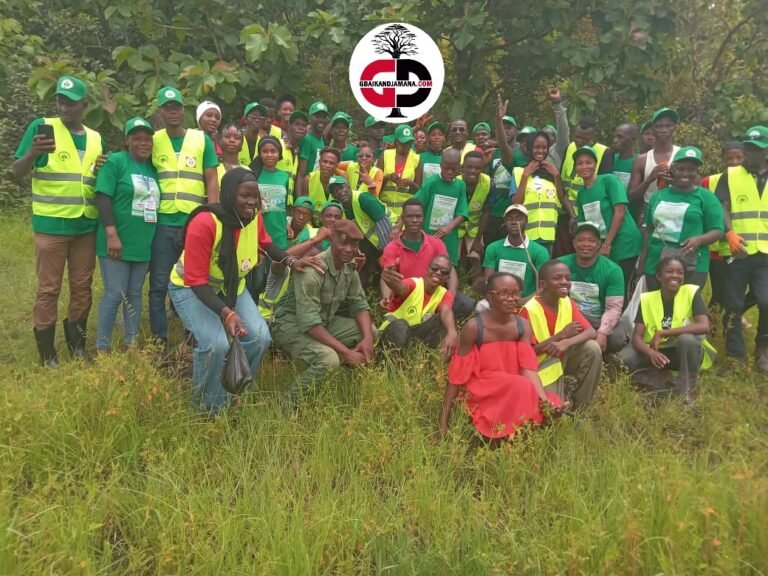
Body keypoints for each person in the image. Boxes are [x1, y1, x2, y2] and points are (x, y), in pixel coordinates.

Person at [168, 168, 317, 413]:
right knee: (215, 344)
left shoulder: (252, 217)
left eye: (255, 196)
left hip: (230, 287)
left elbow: (266, 243)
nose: (251, 202)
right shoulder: (205, 222)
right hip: (192, 288)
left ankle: (232, 390)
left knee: (260, 337)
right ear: (228, 195)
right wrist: (226, 313)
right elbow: (195, 280)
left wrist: (291, 261)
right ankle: (206, 407)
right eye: (244, 196)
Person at [13, 76, 108, 365]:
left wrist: (100, 166)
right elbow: (16, 171)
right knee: (49, 289)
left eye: (70, 102)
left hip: (85, 225)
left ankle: (77, 347)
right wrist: (32, 153)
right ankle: (47, 355)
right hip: (51, 225)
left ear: (85, 105)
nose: (63, 107)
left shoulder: (94, 137)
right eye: (60, 101)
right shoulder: (42, 128)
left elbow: (89, 177)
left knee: (82, 286)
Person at [439, 272, 562, 441]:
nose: (511, 299)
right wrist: (443, 420)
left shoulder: (522, 326)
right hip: (482, 387)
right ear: (490, 296)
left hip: (513, 384)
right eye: (504, 293)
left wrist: (544, 399)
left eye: (515, 293)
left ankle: (517, 436)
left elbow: (528, 369)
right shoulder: (474, 327)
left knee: (539, 395)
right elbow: (457, 375)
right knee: (520, 385)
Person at [273, 220, 375, 403]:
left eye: (354, 244)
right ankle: (287, 404)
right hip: (290, 326)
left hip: (323, 323)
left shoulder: (348, 267)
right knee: (329, 360)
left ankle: (340, 384)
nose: (349, 250)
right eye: (343, 243)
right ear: (332, 241)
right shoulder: (312, 269)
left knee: (370, 332)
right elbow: (309, 323)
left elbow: (359, 304)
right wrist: (346, 353)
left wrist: (367, 339)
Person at [148, 86, 219, 343]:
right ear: (160, 112)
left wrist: (212, 216)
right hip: (163, 222)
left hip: (193, 224)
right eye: (168, 108)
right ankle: (159, 340)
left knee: (194, 281)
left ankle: (193, 336)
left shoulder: (201, 140)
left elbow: (212, 179)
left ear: (184, 110)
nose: (173, 112)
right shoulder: (153, 140)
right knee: (158, 284)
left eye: (177, 107)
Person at [94, 117, 159, 354]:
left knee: (134, 293)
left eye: (147, 139)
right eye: (137, 138)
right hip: (116, 241)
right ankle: (102, 346)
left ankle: (130, 343)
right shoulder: (115, 162)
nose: (143, 143)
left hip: (142, 242)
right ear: (127, 140)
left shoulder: (153, 168)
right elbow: (102, 197)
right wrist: (111, 233)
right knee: (115, 293)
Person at [617, 256, 715, 402]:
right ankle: (661, 380)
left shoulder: (691, 292)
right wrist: (650, 353)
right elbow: (637, 338)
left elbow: (704, 326)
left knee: (686, 339)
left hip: (683, 351)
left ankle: (687, 389)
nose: (675, 276)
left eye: (680, 272)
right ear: (659, 276)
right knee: (624, 358)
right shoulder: (648, 299)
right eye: (669, 271)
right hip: (657, 353)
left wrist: (663, 332)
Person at [715, 126, 768, 371]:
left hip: (765, 253)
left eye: (755, 149)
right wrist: (729, 232)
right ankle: (736, 356)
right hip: (737, 251)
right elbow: (722, 206)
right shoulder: (731, 174)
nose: (749, 153)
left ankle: (762, 348)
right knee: (733, 304)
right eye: (747, 148)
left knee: (765, 300)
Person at [638, 146, 724, 290]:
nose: (685, 173)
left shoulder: (706, 197)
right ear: (673, 169)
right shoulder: (658, 196)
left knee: (686, 308)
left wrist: (699, 240)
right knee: (656, 306)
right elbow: (648, 230)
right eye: (681, 169)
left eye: (691, 170)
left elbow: (718, 230)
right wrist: (642, 263)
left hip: (692, 263)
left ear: (697, 172)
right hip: (656, 261)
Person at [520, 260, 602, 408]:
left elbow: (591, 332)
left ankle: (581, 406)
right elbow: (527, 353)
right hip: (540, 365)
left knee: (593, 348)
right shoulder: (529, 309)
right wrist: (560, 336)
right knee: (552, 412)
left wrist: (567, 342)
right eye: (557, 278)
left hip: (561, 356)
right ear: (543, 284)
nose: (564, 282)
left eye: (568, 278)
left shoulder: (566, 302)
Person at [380, 198, 475, 319]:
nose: (414, 220)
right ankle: (430, 319)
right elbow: (387, 276)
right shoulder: (392, 247)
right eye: (410, 216)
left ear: (423, 218)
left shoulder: (436, 243)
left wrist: (450, 294)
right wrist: (386, 297)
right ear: (403, 219)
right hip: (407, 295)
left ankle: (432, 316)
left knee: (465, 304)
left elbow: (450, 270)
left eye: (418, 216)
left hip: (433, 293)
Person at [571, 145, 642, 291]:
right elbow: (586, 225)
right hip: (602, 246)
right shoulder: (581, 194)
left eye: (588, 162)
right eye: (580, 163)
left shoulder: (609, 181)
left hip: (624, 243)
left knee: (622, 287)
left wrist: (607, 244)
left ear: (596, 164)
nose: (584, 166)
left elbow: (620, 211)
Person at [558, 223, 627, 353]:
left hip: (598, 319)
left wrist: (603, 333)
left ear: (598, 245)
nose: (585, 244)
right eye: (581, 240)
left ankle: (601, 354)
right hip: (569, 316)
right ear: (574, 243)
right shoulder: (560, 264)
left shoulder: (613, 270)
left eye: (591, 241)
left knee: (618, 338)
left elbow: (613, 307)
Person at [379, 254, 458, 357]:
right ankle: (392, 364)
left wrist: (452, 332)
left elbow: (446, 310)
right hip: (392, 334)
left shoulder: (444, 293)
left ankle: (426, 358)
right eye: (434, 268)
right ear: (426, 270)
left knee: (445, 321)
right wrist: (391, 280)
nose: (438, 273)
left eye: (444, 272)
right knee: (401, 325)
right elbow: (401, 288)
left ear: (447, 278)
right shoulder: (414, 284)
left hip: (414, 336)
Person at [510, 130, 571, 255]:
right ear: (529, 148)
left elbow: (561, 200)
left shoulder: (552, 172)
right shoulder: (519, 172)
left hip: (548, 237)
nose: (541, 151)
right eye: (536, 147)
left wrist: (557, 176)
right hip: (525, 236)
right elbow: (516, 203)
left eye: (544, 147)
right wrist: (525, 176)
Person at [478, 205, 549, 309]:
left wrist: (522, 302)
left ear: (526, 221)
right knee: (481, 307)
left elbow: (543, 287)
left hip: (527, 302)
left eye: (519, 218)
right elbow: (489, 281)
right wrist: (499, 301)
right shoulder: (493, 247)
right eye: (510, 219)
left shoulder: (540, 251)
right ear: (504, 222)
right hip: (499, 300)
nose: (514, 222)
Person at [407, 148, 468, 267]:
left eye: (453, 169)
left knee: (447, 264)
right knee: (427, 264)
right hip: (429, 234)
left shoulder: (460, 185)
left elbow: (463, 212)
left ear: (460, 168)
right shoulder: (432, 182)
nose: (450, 172)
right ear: (440, 165)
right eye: (446, 168)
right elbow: (415, 203)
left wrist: (449, 227)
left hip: (448, 235)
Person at [702, 141, 745, 310]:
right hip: (717, 250)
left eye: (739, 158)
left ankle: (737, 316)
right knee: (720, 293)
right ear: (723, 160)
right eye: (729, 159)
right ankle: (713, 328)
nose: (734, 162)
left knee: (750, 291)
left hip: (746, 245)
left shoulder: (753, 181)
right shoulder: (710, 181)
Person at [328, 175, 391, 288]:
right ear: (334, 196)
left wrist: (387, 252)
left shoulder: (363, 198)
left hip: (390, 235)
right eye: (336, 191)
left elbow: (384, 223)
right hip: (372, 242)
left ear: (349, 186)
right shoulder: (343, 208)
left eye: (342, 187)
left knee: (386, 264)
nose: (341, 192)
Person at [629, 107, 680, 210]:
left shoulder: (682, 155)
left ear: (674, 127)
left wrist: (676, 182)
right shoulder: (641, 160)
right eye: (659, 126)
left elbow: (696, 189)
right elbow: (631, 196)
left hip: (677, 208)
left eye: (668, 125)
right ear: (653, 129)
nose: (664, 130)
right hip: (649, 209)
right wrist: (649, 179)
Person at [250, 135, 291, 250]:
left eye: (273, 151)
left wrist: (287, 224)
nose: (269, 155)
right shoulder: (253, 174)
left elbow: (283, 205)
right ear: (260, 154)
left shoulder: (284, 176)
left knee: (278, 266)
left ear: (279, 154)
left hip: (279, 232)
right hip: (258, 230)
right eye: (265, 151)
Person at [459, 151, 492, 281]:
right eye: (469, 167)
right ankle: (459, 288)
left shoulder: (488, 183)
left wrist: (478, 239)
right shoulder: (455, 182)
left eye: (477, 168)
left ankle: (475, 292)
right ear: (462, 168)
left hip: (475, 229)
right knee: (455, 260)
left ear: (482, 169)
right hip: (456, 228)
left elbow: (486, 212)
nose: (473, 171)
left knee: (475, 258)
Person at [378, 124, 421, 218]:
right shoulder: (385, 155)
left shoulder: (416, 158)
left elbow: (419, 191)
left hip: (405, 212)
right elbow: (375, 183)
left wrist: (411, 183)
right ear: (396, 142)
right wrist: (387, 177)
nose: (408, 146)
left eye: (410, 142)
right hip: (385, 210)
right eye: (404, 142)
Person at [296, 101, 330, 195]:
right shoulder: (307, 139)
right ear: (310, 118)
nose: (321, 120)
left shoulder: (321, 140)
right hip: (306, 190)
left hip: (316, 189)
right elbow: (301, 174)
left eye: (323, 117)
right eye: (317, 116)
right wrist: (300, 199)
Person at [611, 122, 640, 221]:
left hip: (630, 217)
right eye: (614, 137)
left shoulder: (639, 162)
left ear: (633, 140)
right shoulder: (610, 160)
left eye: (620, 137)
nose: (615, 140)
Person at [301, 147, 341, 214]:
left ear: (337, 165)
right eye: (325, 161)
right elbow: (305, 208)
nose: (327, 165)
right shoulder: (308, 179)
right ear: (319, 162)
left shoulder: (340, 183)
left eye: (331, 163)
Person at [277, 109, 308, 193]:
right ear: (289, 126)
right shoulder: (278, 146)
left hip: (288, 203)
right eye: (297, 124)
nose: (301, 128)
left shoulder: (296, 151)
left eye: (304, 125)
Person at [543, 88, 571, 170]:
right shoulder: (537, 153)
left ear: (556, 138)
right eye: (544, 135)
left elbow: (563, 129)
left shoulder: (559, 149)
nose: (546, 137)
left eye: (550, 134)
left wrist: (557, 104)